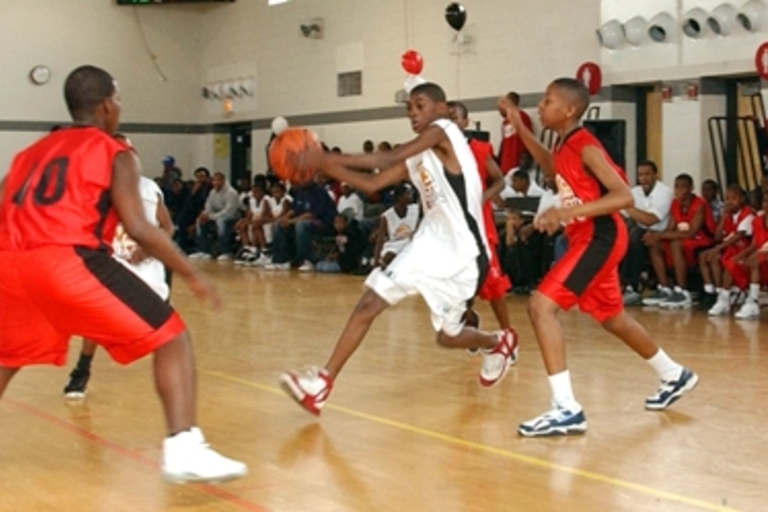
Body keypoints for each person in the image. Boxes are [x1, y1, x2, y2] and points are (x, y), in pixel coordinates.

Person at [0, 66, 246, 482]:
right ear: (106, 105)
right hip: (66, 259)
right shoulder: (114, 151)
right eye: (118, 99)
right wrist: (190, 273)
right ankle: (184, 446)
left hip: (10, 263)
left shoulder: (30, 154)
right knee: (171, 335)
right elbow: (139, 226)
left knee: (6, 357)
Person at [279, 83, 517, 415]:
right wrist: (322, 166)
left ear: (442, 108)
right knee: (369, 301)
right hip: (428, 244)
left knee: (448, 337)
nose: (413, 114)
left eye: (419, 106)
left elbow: (387, 156)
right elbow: (373, 183)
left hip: (464, 254)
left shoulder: (445, 131)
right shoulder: (420, 154)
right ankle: (322, 383)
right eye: (409, 109)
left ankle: (498, 342)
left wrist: (324, 155)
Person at [498, 78, 698, 437]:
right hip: (588, 237)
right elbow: (550, 165)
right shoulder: (562, 143)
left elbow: (624, 197)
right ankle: (673, 373)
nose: (540, 107)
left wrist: (562, 214)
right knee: (611, 317)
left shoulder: (586, 145)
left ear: (570, 110)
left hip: (600, 236)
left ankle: (566, 408)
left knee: (540, 307)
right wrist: (517, 121)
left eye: (547, 101)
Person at [64, 133, 176, 399]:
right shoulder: (96, 191)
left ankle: (174, 386)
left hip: (148, 272)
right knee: (94, 324)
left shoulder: (150, 188)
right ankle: (81, 372)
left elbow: (168, 227)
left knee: (169, 334)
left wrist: (149, 247)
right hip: (111, 266)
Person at [447, 100, 517, 350]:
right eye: (447, 117)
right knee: (454, 283)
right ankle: (469, 319)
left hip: (480, 226)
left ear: (466, 122)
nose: (452, 121)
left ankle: (508, 335)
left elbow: (499, 181)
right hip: (451, 227)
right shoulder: (436, 152)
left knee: (493, 283)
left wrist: (483, 197)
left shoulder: (478, 149)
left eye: (456, 117)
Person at [642, 174, 716, 309]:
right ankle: (665, 288)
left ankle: (682, 291)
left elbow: (691, 232)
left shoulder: (699, 204)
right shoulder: (675, 203)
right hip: (683, 238)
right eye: (677, 187)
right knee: (655, 245)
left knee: (675, 244)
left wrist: (662, 235)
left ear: (691, 188)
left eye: (683, 187)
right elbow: (671, 227)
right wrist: (655, 236)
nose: (679, 190)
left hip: (701, 239)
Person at [620, 160, 674, 306]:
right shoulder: (635, 192)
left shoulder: (665, 192)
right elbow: (622, 214)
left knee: (636, 235)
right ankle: (621, 284)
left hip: (660, 233)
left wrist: (630, 209)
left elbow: (650, 220)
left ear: (656, 175)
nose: (643, 178)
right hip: (639, 231)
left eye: (647, 174)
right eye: (640, 175)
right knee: (620, 235)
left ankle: (633, 287)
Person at [700, 184, 754, 315]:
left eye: (733, 198)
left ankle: (724, 297)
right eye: (727, 198)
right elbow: (718, 236)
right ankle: (719, 292)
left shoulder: (748, 214)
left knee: (726, 260)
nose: (729, 202)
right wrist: (724, 217)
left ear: (742, 199)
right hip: (729, 247)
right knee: (706, 257)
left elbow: (738, 236)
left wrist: (718, 248)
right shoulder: (728, 215)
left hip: (743, 248)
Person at [729, 193, 768, 319]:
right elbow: (754, 244)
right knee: (735, 261)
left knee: (755, 261)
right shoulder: (758, 221)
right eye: (765, 201)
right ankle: (738, 295)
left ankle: (753, 301)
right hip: (762, 254)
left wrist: (758, 254)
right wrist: (741, 255)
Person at [190, 172, 241, 261]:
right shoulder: (212, 192)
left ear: (223, 181)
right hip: (216, 216)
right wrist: (205, 215)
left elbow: (229, 211)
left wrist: (211, 217)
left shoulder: (231, 192)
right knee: (199, 220)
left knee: (221, 222)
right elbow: (208, 206)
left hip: (232, 217)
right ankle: (204, 250)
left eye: (218, 180)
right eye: (214, 180)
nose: (216, 182)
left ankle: (226, 251)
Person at [373, 184, 420, 268]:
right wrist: (376, 261)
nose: (411, 195)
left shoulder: (416, 209)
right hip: (394, 245)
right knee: (389, 257)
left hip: (410, 243)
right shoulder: (386, 216)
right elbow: (380, 240)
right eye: (407, 193)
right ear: (399, 197)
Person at [497, 91, 534, 175]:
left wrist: (525, 161)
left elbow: (529, 139)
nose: (499, 111)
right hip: (505, 166)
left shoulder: (523, 117)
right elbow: (504, 142)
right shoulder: (505, 122)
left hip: (518, 164)